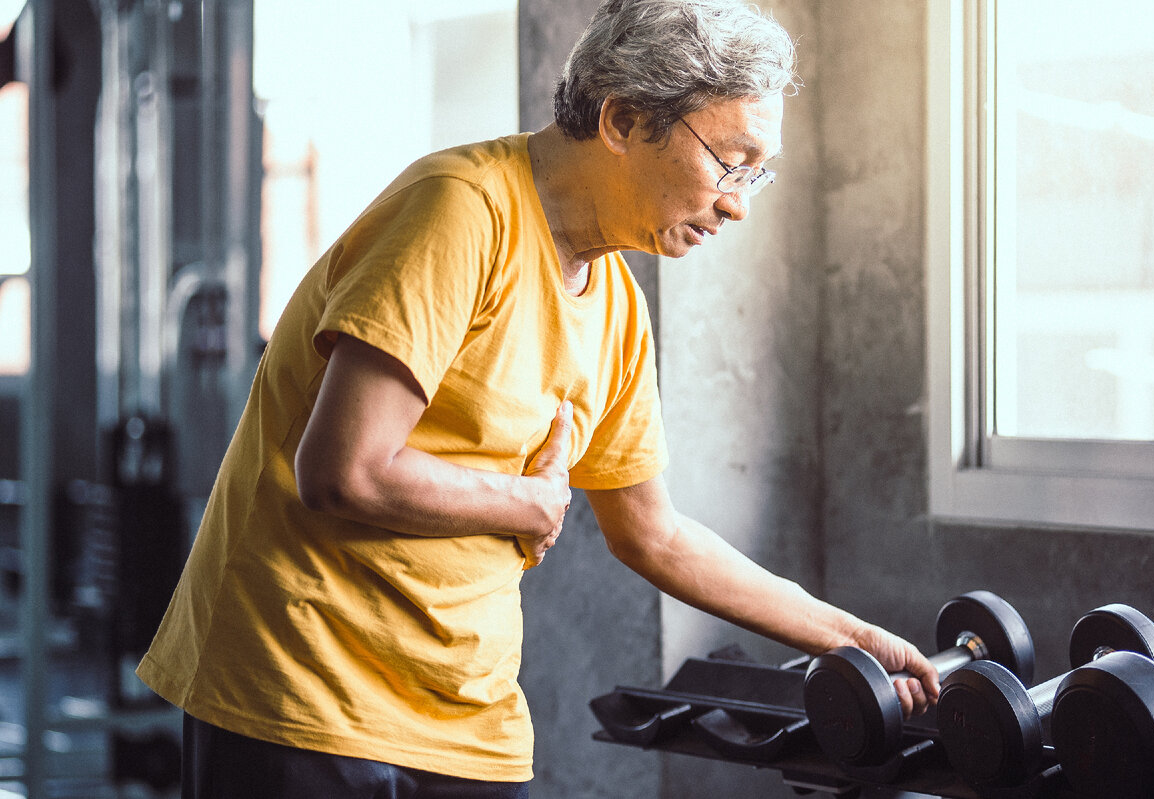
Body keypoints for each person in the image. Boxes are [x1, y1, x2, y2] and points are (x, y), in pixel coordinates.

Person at [137, 0, 940, 796]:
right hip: (297, 692)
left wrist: (852, 638)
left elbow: (654, 536)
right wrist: (525, 502)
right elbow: (345, 470)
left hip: (463, 716)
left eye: (756, 173)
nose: (738, 201)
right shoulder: (458, 212)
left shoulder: (618, 307)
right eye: (730, 162)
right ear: (624, 119)